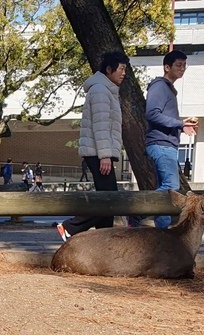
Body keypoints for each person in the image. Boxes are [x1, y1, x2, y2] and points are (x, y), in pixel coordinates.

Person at [56, 51, 131, 242]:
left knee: (106, 197)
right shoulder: (100, 90)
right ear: (109, 69)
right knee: (109, 198)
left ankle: (102, 239)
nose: (124, 73)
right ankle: (70, 227)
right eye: (121, 68)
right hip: (98, 153)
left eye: (125, 69)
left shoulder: (106, 90)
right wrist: (105, 156)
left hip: (99, 152)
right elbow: (101, 125)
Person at [140, 49, 197, 229]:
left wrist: (181, 124)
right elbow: (152, 114)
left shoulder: (167, 89)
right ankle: (134, 213)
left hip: (166, 144)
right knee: (171, 186)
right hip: (161, 144)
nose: (182, 69)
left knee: (166, 186)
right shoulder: (159, 87)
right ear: (167, 67)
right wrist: (179, 124)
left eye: (184, 65)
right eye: (178, 65)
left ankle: (162, 231)